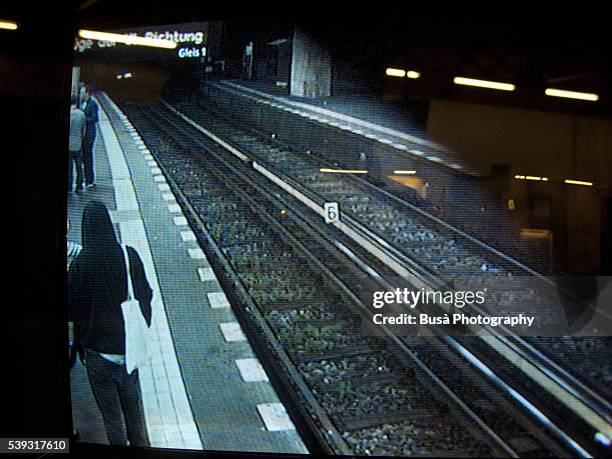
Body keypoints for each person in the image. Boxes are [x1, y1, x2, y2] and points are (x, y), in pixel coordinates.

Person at [68, 201, 153, 446]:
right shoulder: (129, 255)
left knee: (112, 418)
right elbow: (145, 295)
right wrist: (140, 327)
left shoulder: (79, 265)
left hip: (97, 354)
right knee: (135, 415)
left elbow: (72, 311)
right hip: (128, 349)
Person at [81, 87, 99, 188]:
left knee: (88, 156)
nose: (82, 95)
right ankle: (86, 178)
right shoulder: (83, 104)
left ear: (88, 93)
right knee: (84, 156)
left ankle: (90, 179)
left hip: (89, 134)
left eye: (83, 93)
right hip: (83, 134)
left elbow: (94, 118)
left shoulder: (93, 105)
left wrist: (83, 118)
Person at [69, 95, 86, 194]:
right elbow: (84, 130)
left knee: (69, 168)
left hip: (69, 146)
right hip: (78, 144)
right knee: (79, 167)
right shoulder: (81, 114)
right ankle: (79, 186)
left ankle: (69, 186)